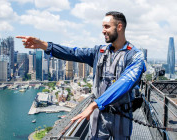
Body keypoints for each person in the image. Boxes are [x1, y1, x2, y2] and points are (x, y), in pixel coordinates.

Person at [16, 11, 146, 140]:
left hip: (121, 115)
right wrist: (43, 45)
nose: (103, 31)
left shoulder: (135, 56)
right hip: (99, 116)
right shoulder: (99, 52)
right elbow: (73, 53)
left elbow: (125, 82)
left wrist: (95, 104)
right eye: (102, 27)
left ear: (119, 27)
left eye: (107, 26)